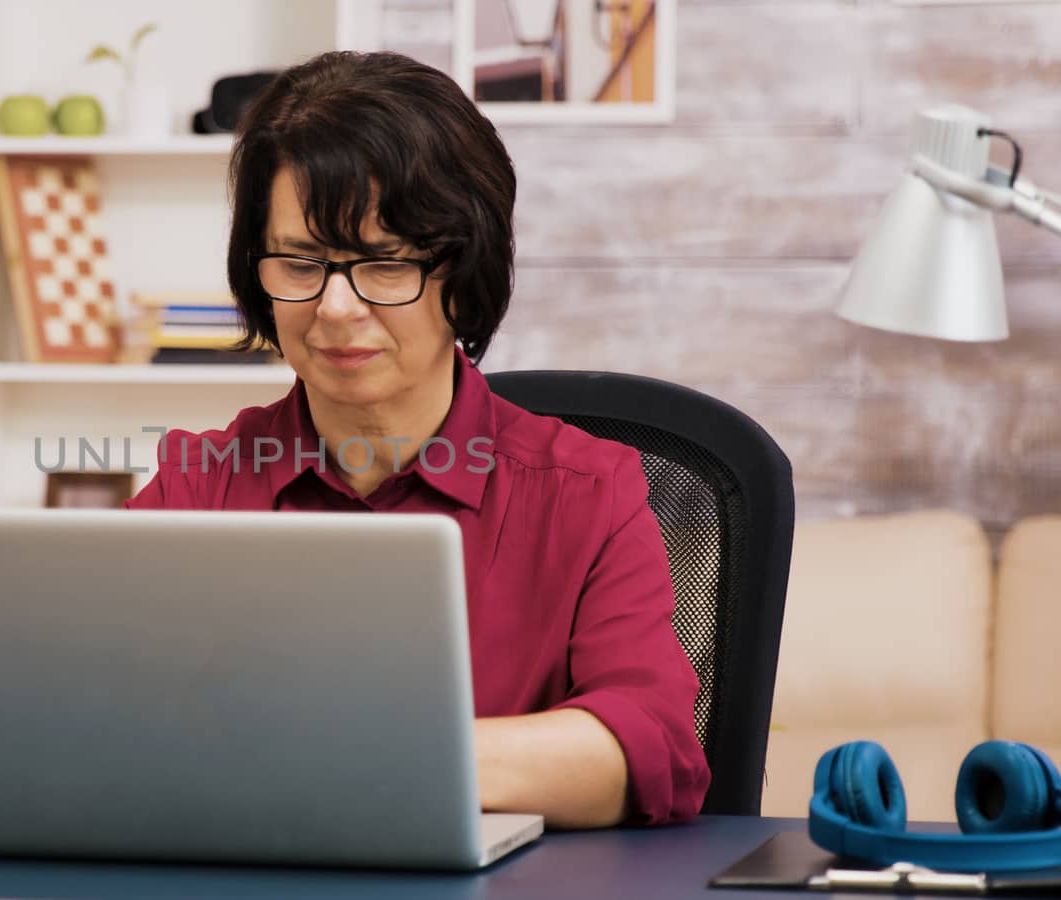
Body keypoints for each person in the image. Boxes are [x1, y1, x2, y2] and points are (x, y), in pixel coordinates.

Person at [123, 50, 709, 829]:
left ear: (462, 272)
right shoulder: (198, 485)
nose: (334, 307)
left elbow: (646, 758)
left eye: (383, 263)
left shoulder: (591, 491)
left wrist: (355, 756)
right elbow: (99, 728)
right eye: (301, 262)